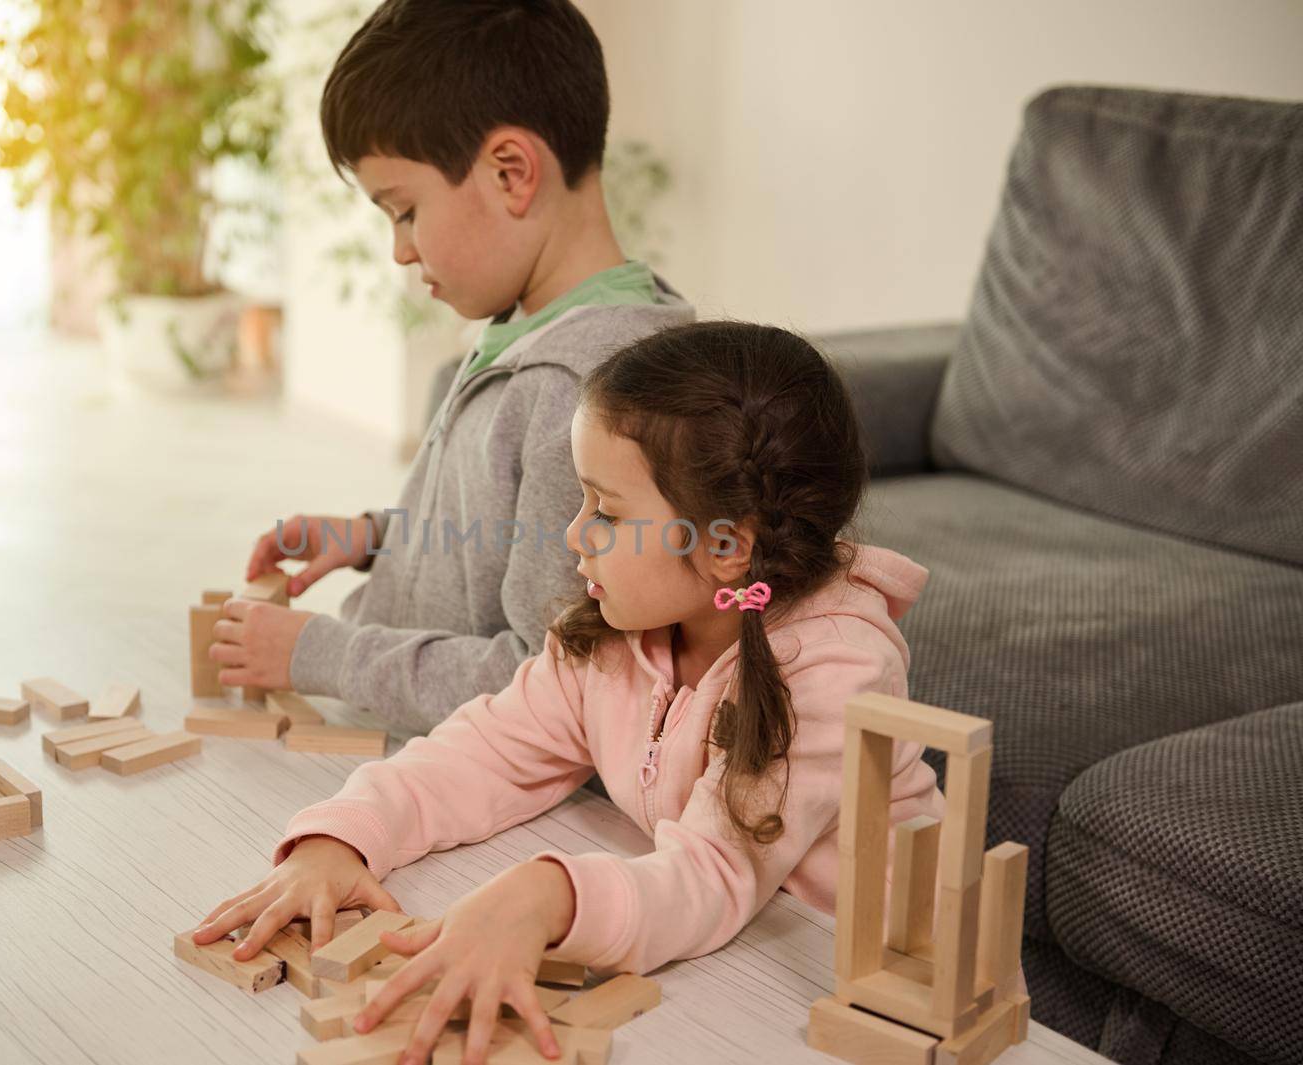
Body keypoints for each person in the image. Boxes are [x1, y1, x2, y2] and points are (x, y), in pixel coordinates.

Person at [196, 322, 943, 1064]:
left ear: (725, 547)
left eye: (606, 511)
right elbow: (484, 749)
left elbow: (713, 875)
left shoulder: (831, 670)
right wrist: (342, 834)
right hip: (736, 967)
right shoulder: (619, 628)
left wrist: (543, 897)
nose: (575, 533)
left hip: (868, 996)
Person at [211, 0, 694, 730]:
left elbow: (543, 683)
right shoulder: (530, 326)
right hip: (414, 735)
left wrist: (321, 652)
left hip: (471, 788)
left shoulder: (584, 393)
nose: (401, 250)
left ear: (510, 172)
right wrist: (379, 535)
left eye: (403, 211)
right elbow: (506, 529)